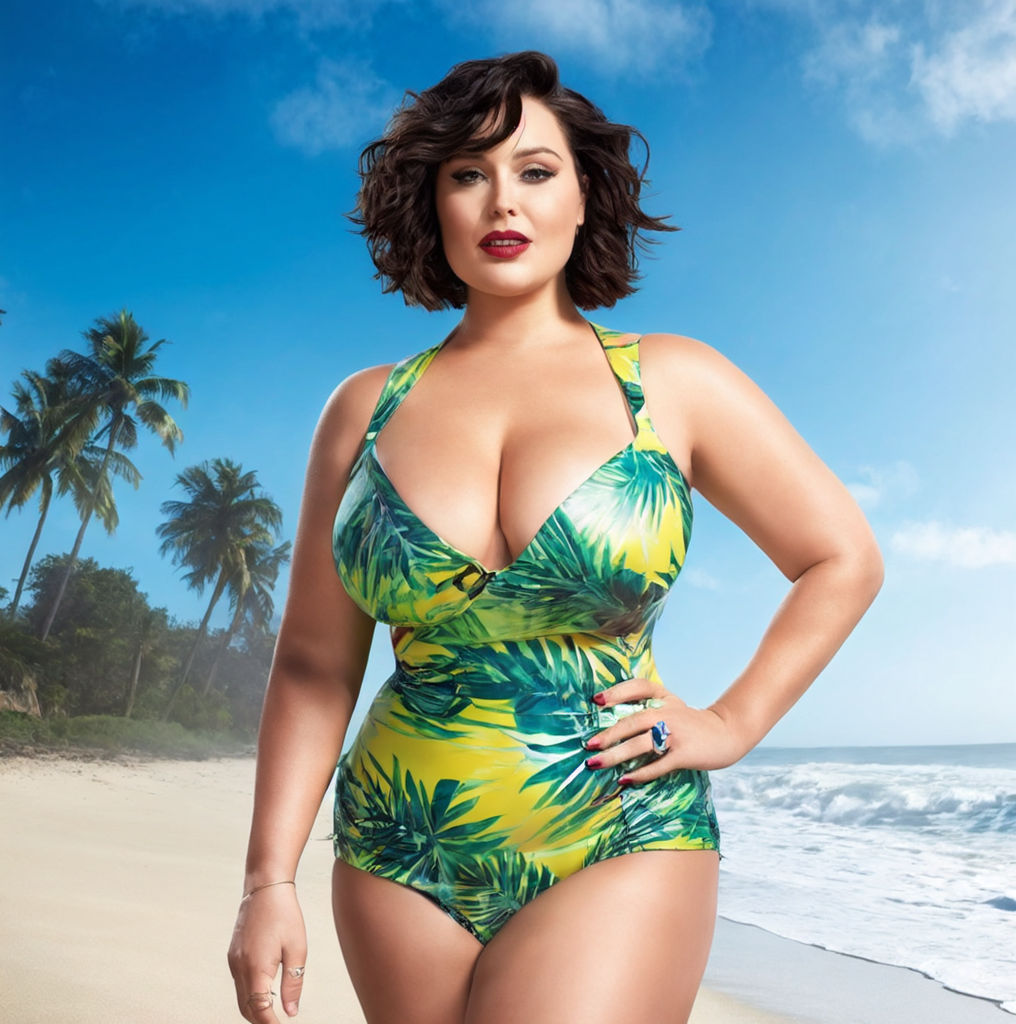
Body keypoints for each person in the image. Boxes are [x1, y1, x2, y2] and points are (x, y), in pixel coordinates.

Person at [227, 51, 883, 1024]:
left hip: (622, 828)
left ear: (584, 199)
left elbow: (842, 558)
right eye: (467, 174)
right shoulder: (362, 409)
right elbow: (316, 667)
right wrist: (267, 879)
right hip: (399, 848)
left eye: (535, 171)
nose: (503, 201)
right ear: (431, 201)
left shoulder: (672, 381)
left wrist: (732, 723)